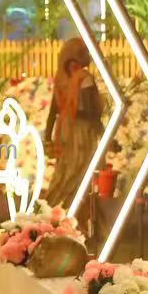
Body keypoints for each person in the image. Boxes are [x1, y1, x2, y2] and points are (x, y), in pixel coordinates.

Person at [43, 37, 104, 214]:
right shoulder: (84, 79)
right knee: (79, 173)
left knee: (64, 173)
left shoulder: (61, 81)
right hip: (81, 133)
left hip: (64, 132)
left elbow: (53, 112)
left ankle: (53, 210)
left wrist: (48, 137)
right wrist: (103, 132)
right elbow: (90, 112)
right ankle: (72, 213)